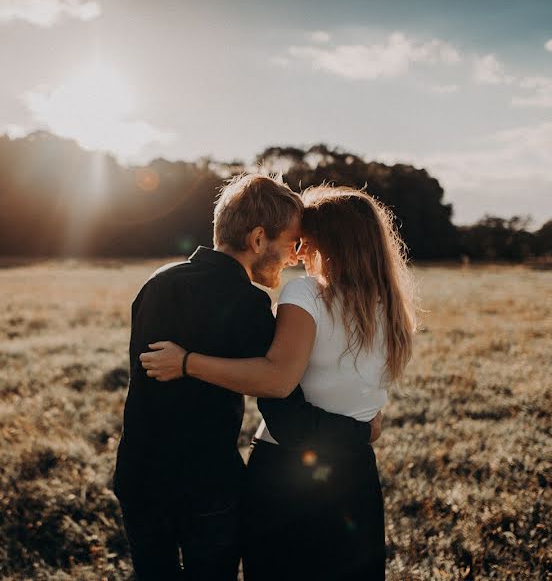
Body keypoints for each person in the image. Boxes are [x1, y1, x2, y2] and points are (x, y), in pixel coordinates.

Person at [140, 185, 416, 580]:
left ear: (331, 244)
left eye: (305, 241)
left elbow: (276, 377)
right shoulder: (392, 307)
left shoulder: (305, 293)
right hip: (355, 470)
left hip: (285, 468)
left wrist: (186, 362)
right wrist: (362, 429)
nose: (298, 254)